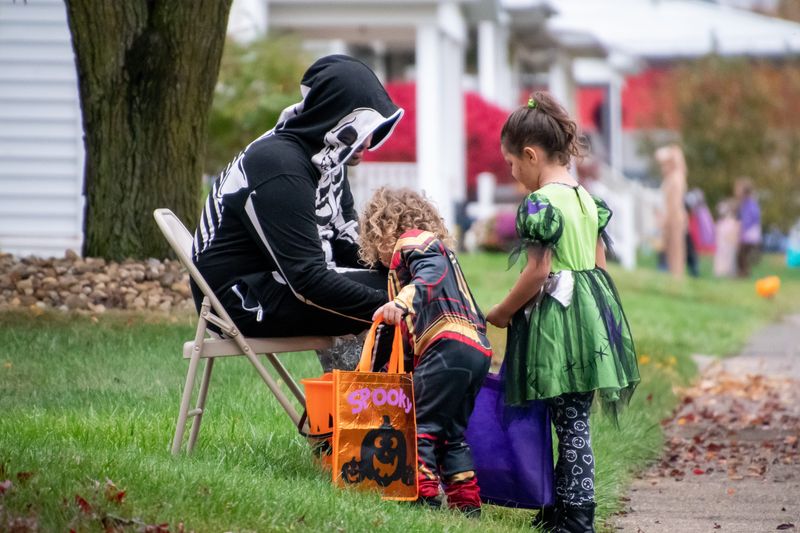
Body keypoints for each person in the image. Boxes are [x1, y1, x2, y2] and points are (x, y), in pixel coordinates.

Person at [486, 92, 639, 533]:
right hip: (591, 321)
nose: (512, 173)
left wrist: (501, 311)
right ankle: (559, 505)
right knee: (568, 416)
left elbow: (538, 271)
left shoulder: (541, 204)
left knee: (569, 422)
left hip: (558, 326)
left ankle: (578, 517)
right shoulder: (587, 200)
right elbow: (599, 267)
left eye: (512, 163)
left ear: (530, 155)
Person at [191, 55, 403, 370]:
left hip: (284, 280)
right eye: (359, 129)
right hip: (240, 301)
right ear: (333, 118)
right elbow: (307, 280)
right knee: (412, 299)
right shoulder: (280, 166)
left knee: (416, 285)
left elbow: (348, 244)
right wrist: (395, 303)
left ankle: (380, 396)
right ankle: (380, 399)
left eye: (374, 129)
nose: (367, 141)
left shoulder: (326, 158)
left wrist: (405, 263)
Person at [359, 187, 492, 516]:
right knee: (452, 433)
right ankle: (466, 502)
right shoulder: (440, 251)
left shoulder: (414, 241)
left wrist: (401, 302)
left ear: (382, 228)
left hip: (447, 346)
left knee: (418, 423)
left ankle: (421, 494)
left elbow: (430, 275)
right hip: (476, 349)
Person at [734, 177, 762, 277]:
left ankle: (743, 274)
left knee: (742, 255)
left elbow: (749, 219)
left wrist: (742, 232)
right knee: (742, 255)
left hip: (749, 234)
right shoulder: (745, 203)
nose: (736, 191)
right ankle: (743, 273)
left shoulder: (749, 203)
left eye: (738, 189)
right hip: (749, 233)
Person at [713, 199, 740, 278]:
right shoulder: (721, 222)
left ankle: (728, 272)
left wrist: (734, 242)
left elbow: (734, 234)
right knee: (722, 257)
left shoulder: (732, 222)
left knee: (730, 258)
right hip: (722, 244)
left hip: (729, 244)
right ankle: (721, 272)